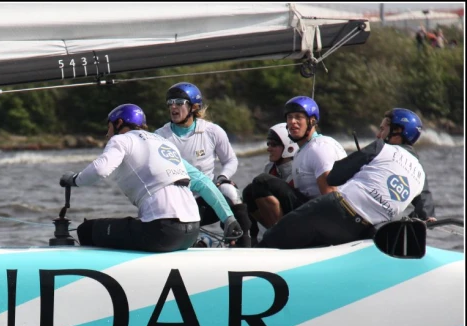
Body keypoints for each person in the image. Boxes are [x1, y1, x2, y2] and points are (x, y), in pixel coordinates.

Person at [59, 103, 241, 253]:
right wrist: (228, 218)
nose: (107, 134)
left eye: (109, 127)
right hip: (191, 231)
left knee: (87, 230)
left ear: (119, 123)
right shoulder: (164, 144)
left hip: (162, 232)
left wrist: (74, 179)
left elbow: (100, 170)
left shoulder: (121, 140)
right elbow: (203, 182)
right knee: (132, 225)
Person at [258, 108, 427, 249]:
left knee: (274, 237)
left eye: (382, 129)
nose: (378, 134)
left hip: (335, 209)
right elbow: (425, 212)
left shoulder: (381, 148)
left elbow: (334, 178)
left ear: (397, 132)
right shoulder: (420, 175)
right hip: (363, 230)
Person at [154, 82, 253, 247]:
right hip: (179, 203)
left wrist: (223, 177)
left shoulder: (213, 131)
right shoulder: (160, 136)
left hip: (208, 200)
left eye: (179, 102)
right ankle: (203, 242)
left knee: (229, 190)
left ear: (194, 107)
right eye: (170, 103)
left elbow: (230, 160)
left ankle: (243, 243)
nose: (173, 107)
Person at [241, 123, 301, 245]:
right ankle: (253, 239)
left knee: (261, 181)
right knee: (248, 191)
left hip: (300, 216)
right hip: (282, 218)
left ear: (289, 147)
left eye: (274, 144)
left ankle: (280, 238)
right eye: (268, 144)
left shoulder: (299, 167)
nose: (269, 148)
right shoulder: (269, 168)